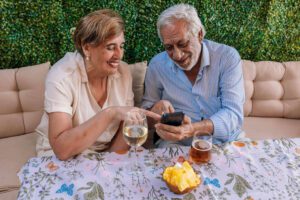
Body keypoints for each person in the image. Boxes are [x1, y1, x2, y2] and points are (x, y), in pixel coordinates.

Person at [35, 9, 159, 160]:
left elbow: (123, 132)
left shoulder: (123, 72)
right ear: (87, 47)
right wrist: (110, 113)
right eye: (110, 47)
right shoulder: (61, 76)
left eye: (121, 46)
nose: (119, 55)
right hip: (64, 155)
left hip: (104, 153)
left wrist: (107, 164)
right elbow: (62, 150)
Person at [142, 4, 245, 147]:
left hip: (226, 141)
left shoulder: (227, 57)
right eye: (169, 47)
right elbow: (145, 120)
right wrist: (154, 111)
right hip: (177, 144)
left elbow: (233, 114)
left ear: (200, 34)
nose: (177, 55)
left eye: (182, 44)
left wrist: (192, 129)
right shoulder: (157, 65)